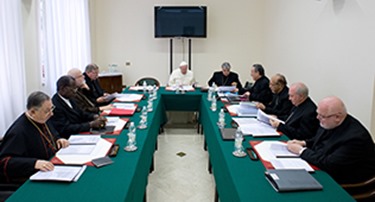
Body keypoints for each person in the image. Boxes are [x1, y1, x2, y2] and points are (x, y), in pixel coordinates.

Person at [287, 96, 375, 184]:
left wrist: (301, 151)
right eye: (317, 113)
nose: (317, 118)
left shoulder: (355, 138)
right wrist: (304, 143)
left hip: (345, 182)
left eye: (321, 116)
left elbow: (329, 164)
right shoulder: (330, 122)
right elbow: (320, 140)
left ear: (337, 117)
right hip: (327, 169)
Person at [0, 91, 69, 183]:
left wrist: (58, 139)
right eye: (47, 111)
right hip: (31, 176)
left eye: (52, 108)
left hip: (52, 166)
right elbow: (4, 161)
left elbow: (51, 134)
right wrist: (34, 163)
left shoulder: (42, 118)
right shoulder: (18, 132)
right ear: (32, 112)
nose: (51, 114)